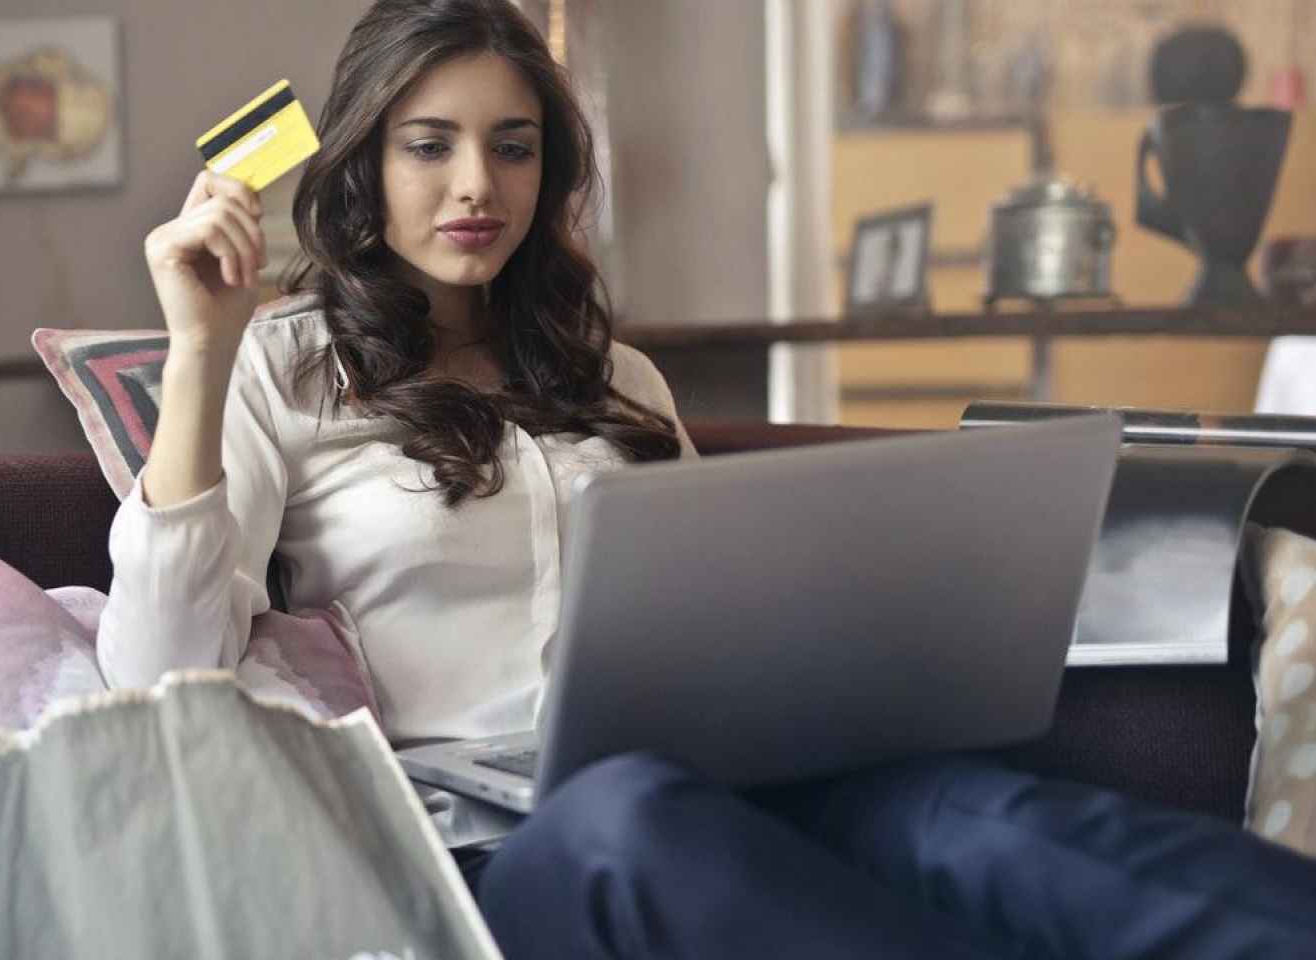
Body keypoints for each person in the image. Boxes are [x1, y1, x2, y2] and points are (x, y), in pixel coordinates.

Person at [99, 1, 1316, 957]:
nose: (477, 186)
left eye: (511, 148)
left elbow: (718, 610)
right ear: (363, 160)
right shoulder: (285, 369)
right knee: (629, 824)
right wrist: (199, 354)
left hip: (730, 781)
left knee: (975, 818)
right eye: (431, 146)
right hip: (502, 854)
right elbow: (155, 673)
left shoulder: (611, 373)